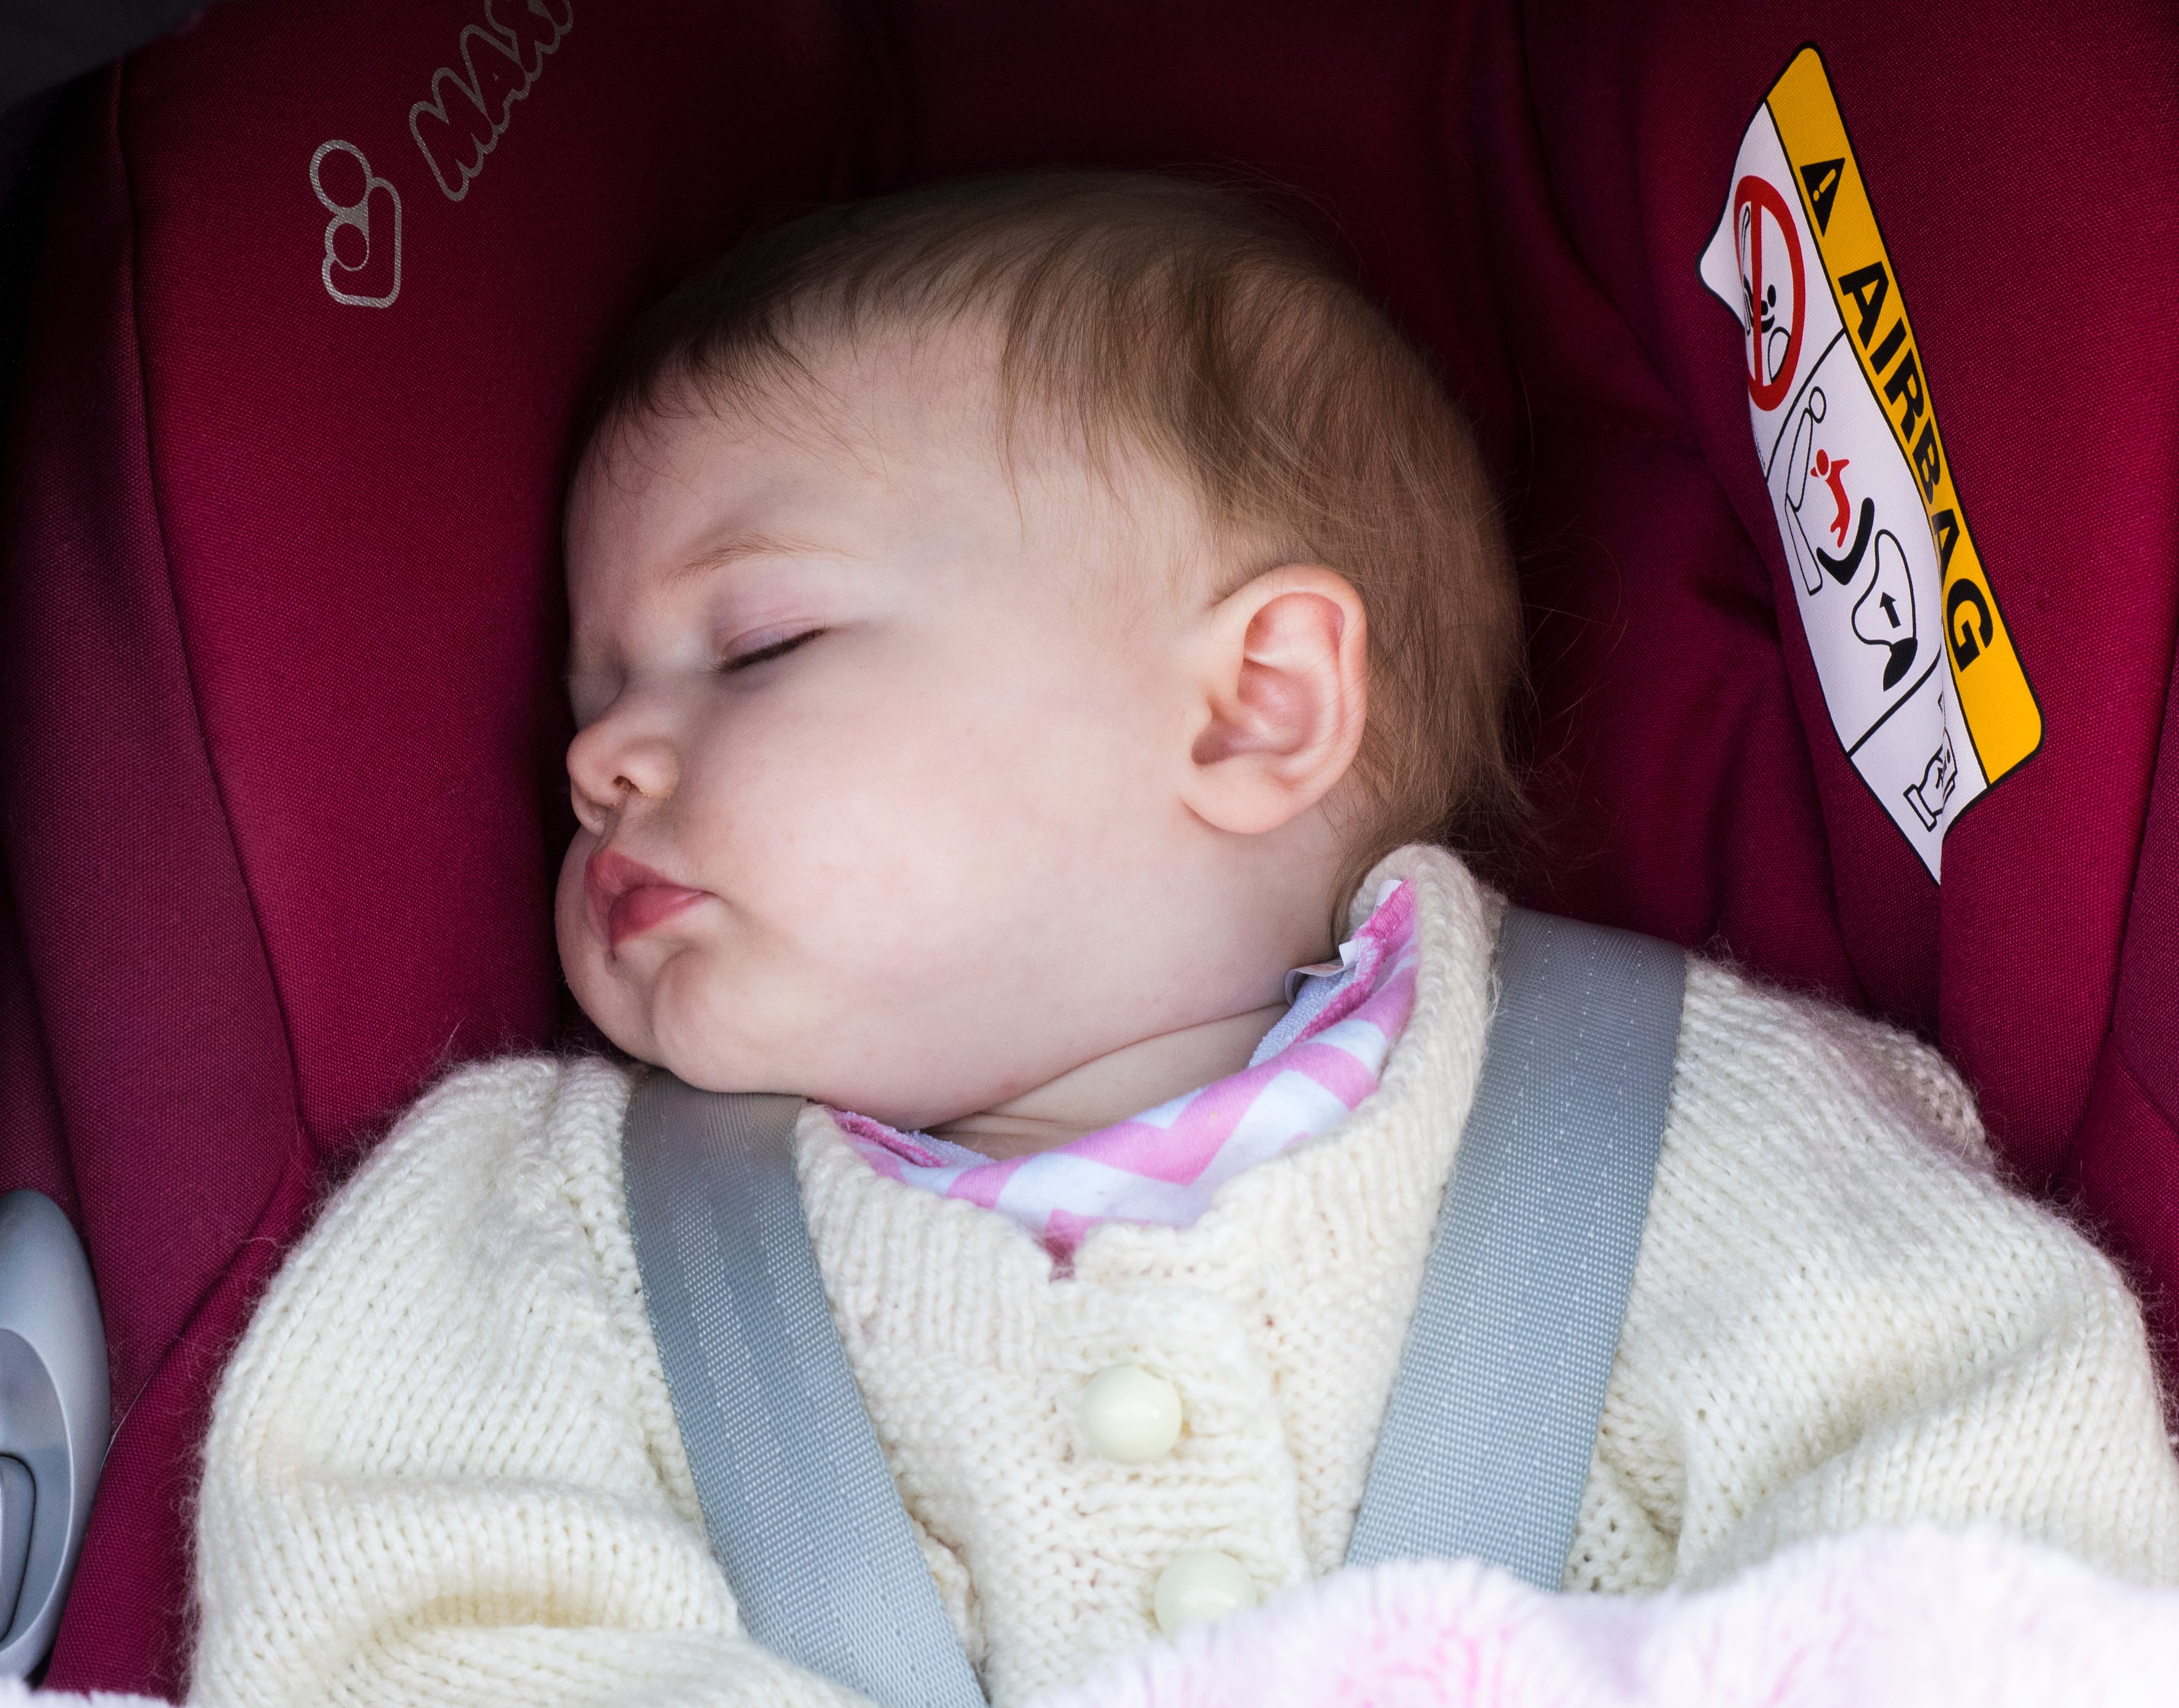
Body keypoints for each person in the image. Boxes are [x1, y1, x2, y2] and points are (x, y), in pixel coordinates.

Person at [188, 174, 2179, 1708]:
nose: (606, 760)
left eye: (760, 645)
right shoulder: (537, 1235)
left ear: (1250, 710)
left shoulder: (1678, 1129)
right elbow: (409, 1623)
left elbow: (1986, 1512)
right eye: (587, 698)